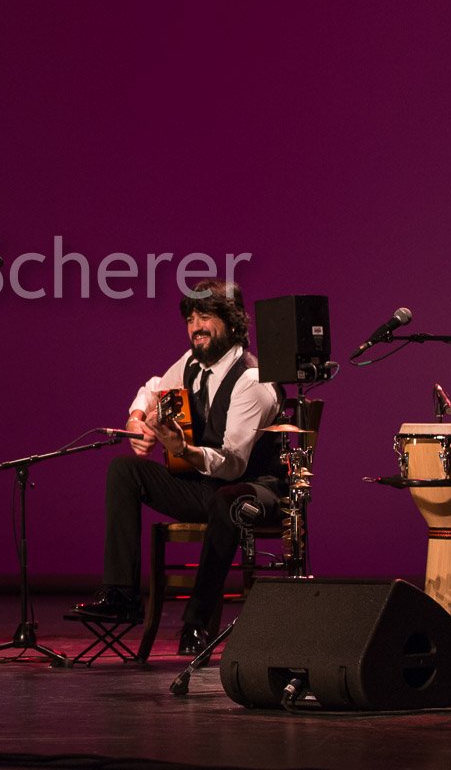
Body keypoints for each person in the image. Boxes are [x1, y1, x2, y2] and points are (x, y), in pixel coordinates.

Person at [70, 280, 282, 656]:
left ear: (233, 323)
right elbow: (153, 387)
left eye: (206, 317)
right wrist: (136, 419)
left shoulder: (252, 379)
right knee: (125, 471)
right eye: (190, 319)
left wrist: (183, 449)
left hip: (255, 489)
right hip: (206, 486)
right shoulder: (192, 365)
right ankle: (121, 595)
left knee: (227, 500)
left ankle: (197, 623)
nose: (196, 327)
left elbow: (232, 464)